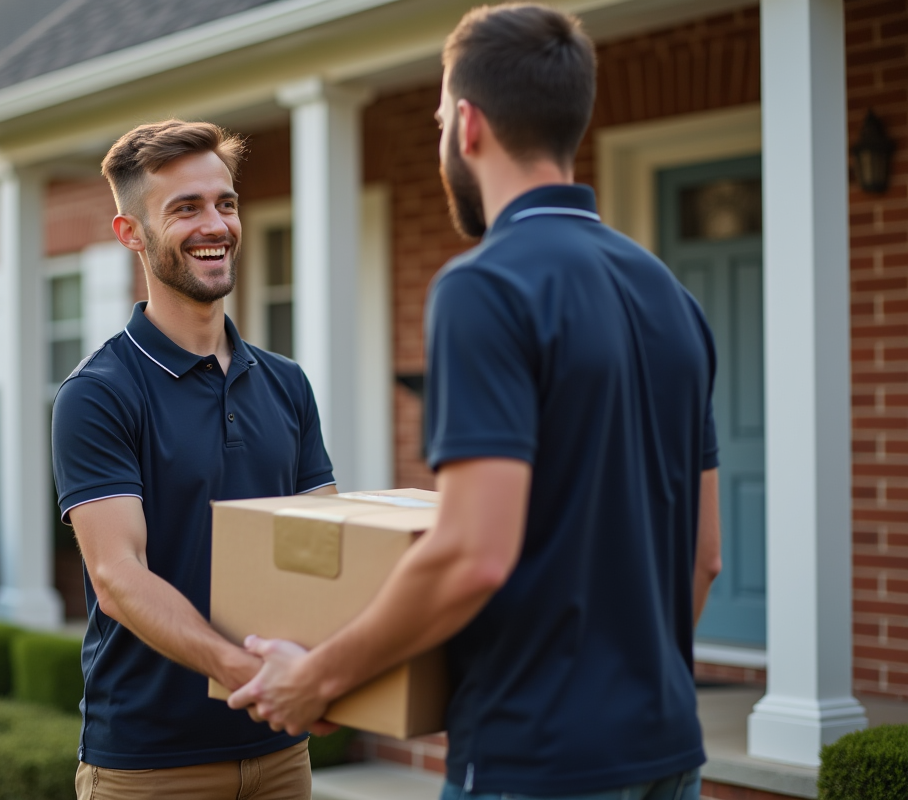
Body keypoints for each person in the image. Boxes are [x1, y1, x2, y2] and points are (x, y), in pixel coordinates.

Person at [228, 5, 723, 800]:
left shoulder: (486, 287)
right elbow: (704, 557)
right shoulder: (673, 299)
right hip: (668, 752)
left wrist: (317, 678)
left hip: (538, 761)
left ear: (467, 125)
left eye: (437, 123)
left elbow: (472, 554)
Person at [52, 119, 337, 800]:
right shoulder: (98, 394)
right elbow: (119, 577)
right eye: (186, 208)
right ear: (131, 233)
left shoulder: (287, 383)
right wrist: (251, 676)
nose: (216, 225)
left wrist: (338, 669)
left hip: (281, 755)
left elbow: (326, 544)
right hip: (151, 766)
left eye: (225, 203)